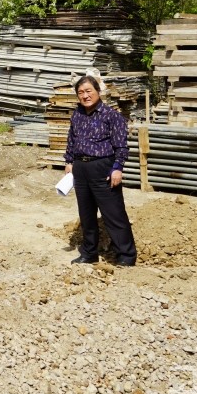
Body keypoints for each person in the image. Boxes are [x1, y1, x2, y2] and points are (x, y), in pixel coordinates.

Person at [64, 75, 137, 266]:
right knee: (86, 214)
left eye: (89, 91)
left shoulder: (112, 116)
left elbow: (121, 147)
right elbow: (71, 139)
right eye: (81, 92)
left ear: (98, 92)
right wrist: (69, 161)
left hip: (103, 167)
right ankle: (89, 253)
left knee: (113, 213)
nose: (85, 96)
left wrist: (117, 168)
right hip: (80, 168)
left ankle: (126, 256)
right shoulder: (77, 115)